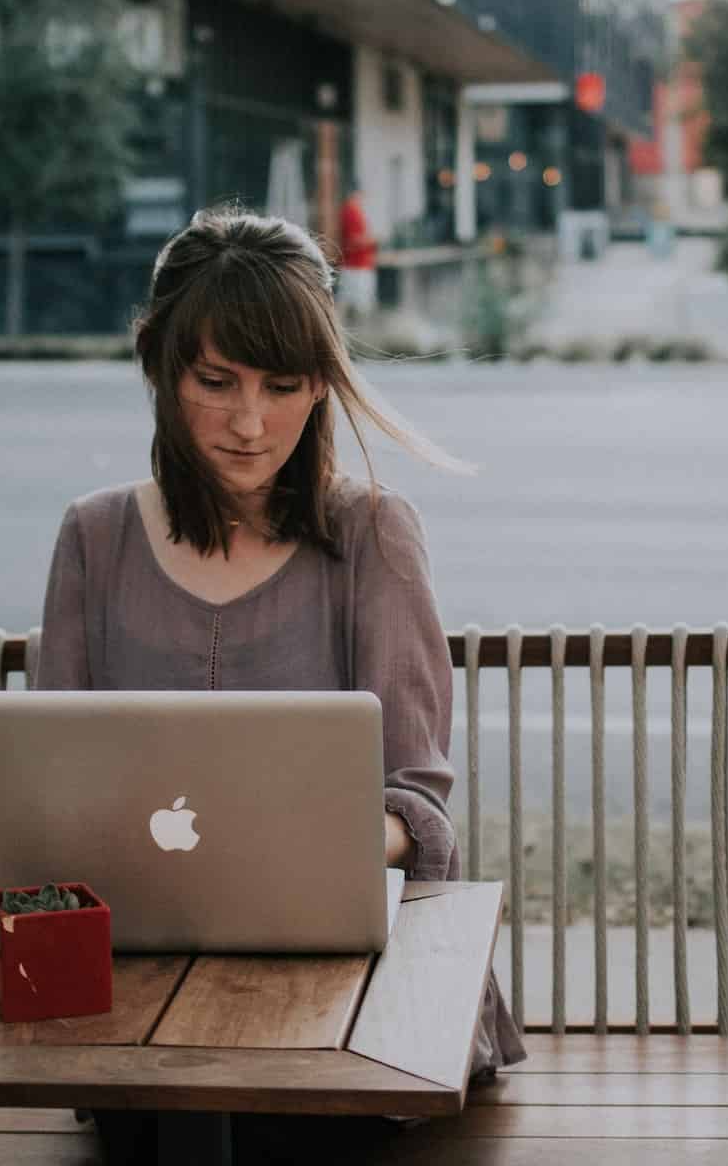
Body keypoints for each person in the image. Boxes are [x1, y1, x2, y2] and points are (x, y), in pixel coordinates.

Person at [35, 208, 525, 1163]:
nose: (250, 423)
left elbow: (419, 807)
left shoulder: (372, 534)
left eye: (284, 385)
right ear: (158, 366)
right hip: (140, 993)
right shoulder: (95, 539)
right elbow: (50, 791)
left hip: (350, 995)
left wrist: (301, 845)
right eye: (215, 382)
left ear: (321, 388)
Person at [337, 186, 380, 321]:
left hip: (359, 265)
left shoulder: (354, 211)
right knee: (358, 303)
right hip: (356, 266)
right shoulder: (351, 212)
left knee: (350, 300)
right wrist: (372, 240)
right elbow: (354, 241)